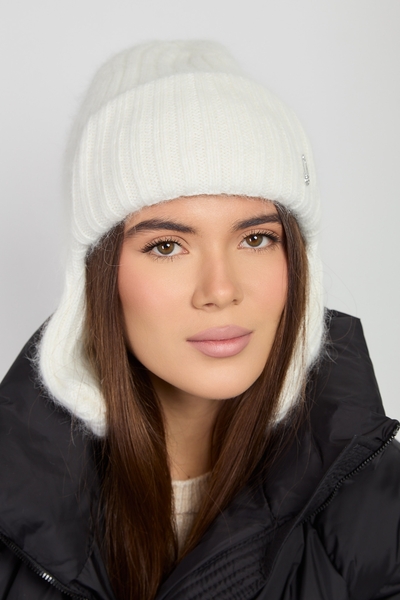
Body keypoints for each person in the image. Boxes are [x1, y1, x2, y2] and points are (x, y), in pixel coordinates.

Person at [0, 40, 399, 600]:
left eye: (256, 238)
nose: (221, 290)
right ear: (97, 279)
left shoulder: (381, 508)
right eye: (167, 246)